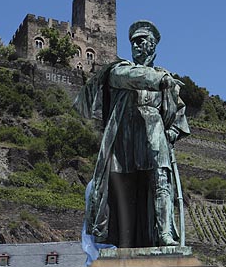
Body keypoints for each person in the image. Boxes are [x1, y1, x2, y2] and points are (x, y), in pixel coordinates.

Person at [75, 20, 190, 248]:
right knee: (122, 188)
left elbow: (179, 115)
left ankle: (165, 233)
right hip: (124, 138)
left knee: (161, 183)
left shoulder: (166, 79)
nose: (137, 46)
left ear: (153, 45)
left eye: (142, 41)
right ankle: (123, 240)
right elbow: (133, 77)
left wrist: (172, 133)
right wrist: (161, 81)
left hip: (154, 133)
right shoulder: (119, 70)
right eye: (134, 42)